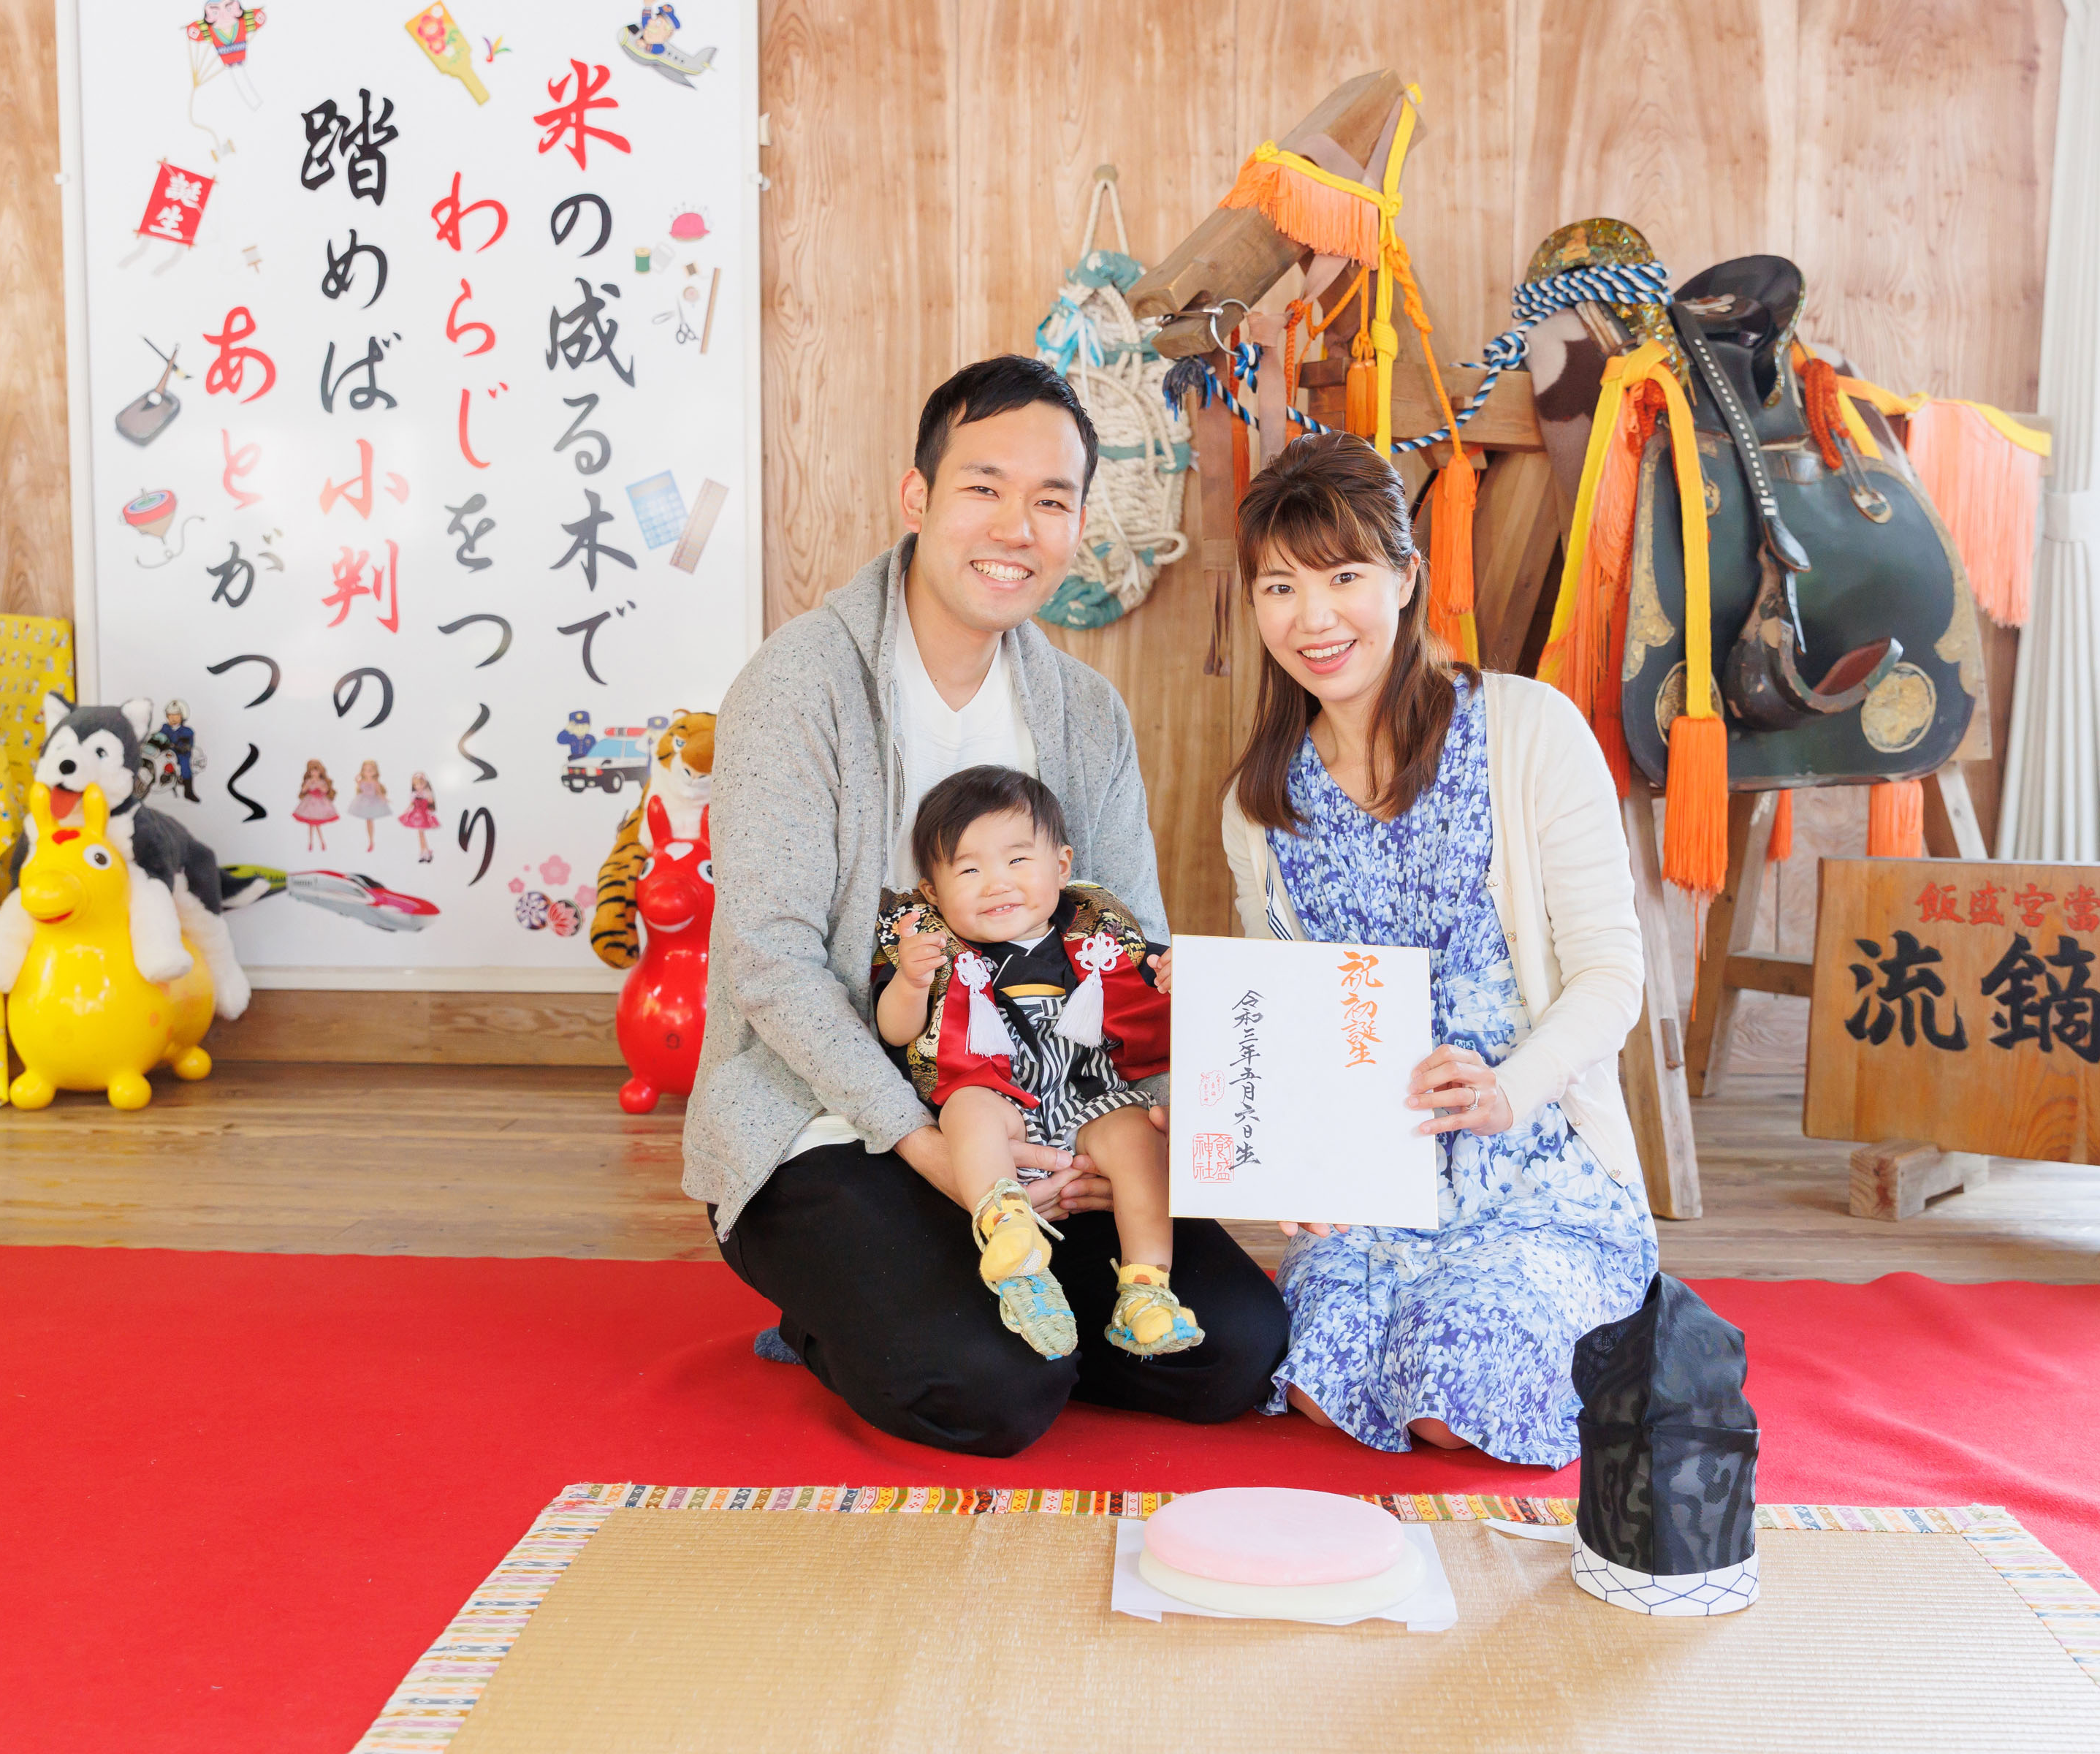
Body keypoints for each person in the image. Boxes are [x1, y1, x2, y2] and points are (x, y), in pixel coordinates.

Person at [689, 354, 1286, 1457]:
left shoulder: (1085, 714)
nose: (1016, 527)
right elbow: (769, 959)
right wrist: (924, 1144)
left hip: (1050, 1112)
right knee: (991, 1392)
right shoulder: (798, 685)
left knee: (1235, 1352)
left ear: (1076, 525)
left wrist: (1124, 1143)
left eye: (1051, 500)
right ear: (917, 501)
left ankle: (1000, 1301)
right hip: (842, 1125)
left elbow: (1130, 946)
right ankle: (835, 1310)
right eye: (984, 488)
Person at [1220, 432, 1659, 1464]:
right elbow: (1287, 1028)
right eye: (1279, 587)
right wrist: (1287, 1163)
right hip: (1376, 1189)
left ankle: (1605, 1325)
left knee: (1446, 1396)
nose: (1314, 618)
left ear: (1406, 578)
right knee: (1325, 1386)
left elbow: (1610, 973)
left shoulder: (1529, 731)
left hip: (1538, 1172)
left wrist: (1515, 1085)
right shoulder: (1259, 804)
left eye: (1344, 576)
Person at [872, 765, 1192, 1363]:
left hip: (1087, 1093)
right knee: (967, 1111)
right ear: (933, 893)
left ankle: (1147, 1288)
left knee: (1140, 1137)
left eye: (1018, 861)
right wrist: (912, 983)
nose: (997, 884)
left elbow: (1157, 1003)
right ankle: (1008, 1230)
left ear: (1062, 866)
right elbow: (895, 1032)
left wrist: (1180, 978)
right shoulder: (930, 949)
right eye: (969, 870)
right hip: (998, 1095)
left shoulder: (1100, 935)